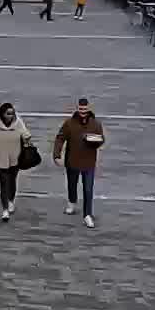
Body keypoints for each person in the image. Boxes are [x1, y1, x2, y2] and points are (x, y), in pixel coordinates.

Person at [53, 98, 105, 228]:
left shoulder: (96, 124)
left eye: (85, 109)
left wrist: (95, 141)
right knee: (72, 184)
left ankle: (87, 214)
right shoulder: (69, 123)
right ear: (77, 109)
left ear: (88, 109)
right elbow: (60, 138)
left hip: (88, 162)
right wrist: (57, 154)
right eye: (81, 109)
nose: (83, 111)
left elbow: (101, 139)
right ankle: (72, 201)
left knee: (88, 189)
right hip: (72, 161)